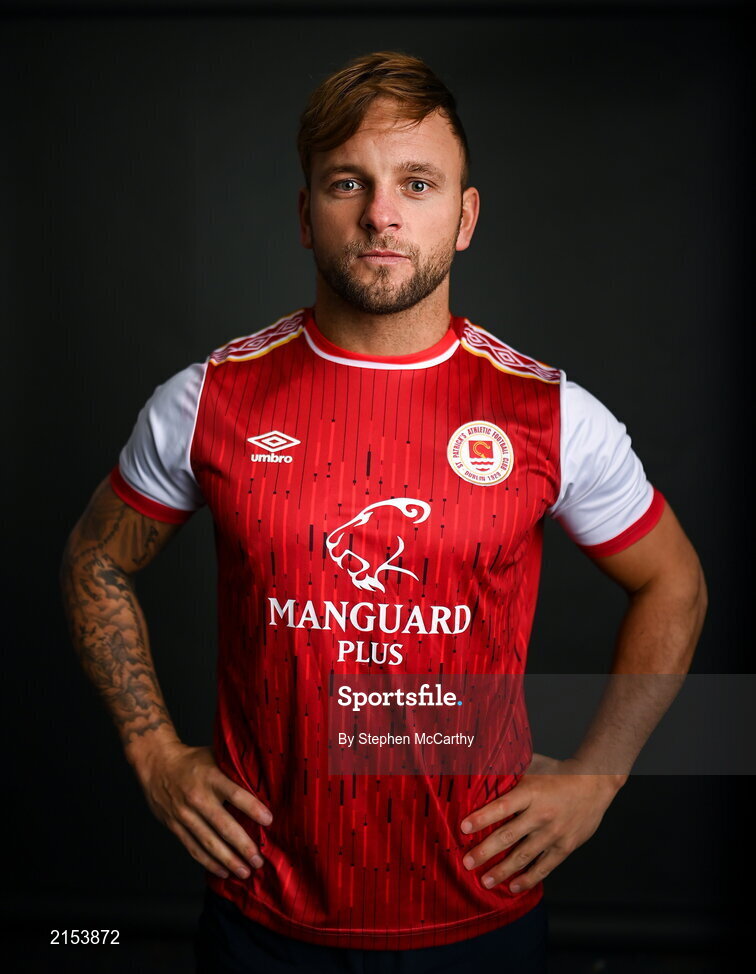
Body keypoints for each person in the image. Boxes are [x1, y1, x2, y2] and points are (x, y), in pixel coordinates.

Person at [60, 51, 707, 973]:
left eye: (417, 182)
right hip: (263, 916)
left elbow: (675, 583)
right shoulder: (209, 400)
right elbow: (94, 560)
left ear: (465, 216)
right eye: (347, 182)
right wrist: (154, 753)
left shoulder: (549, 415)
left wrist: (600, 774)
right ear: (304, 214)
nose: (381, 213)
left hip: (481, 914)